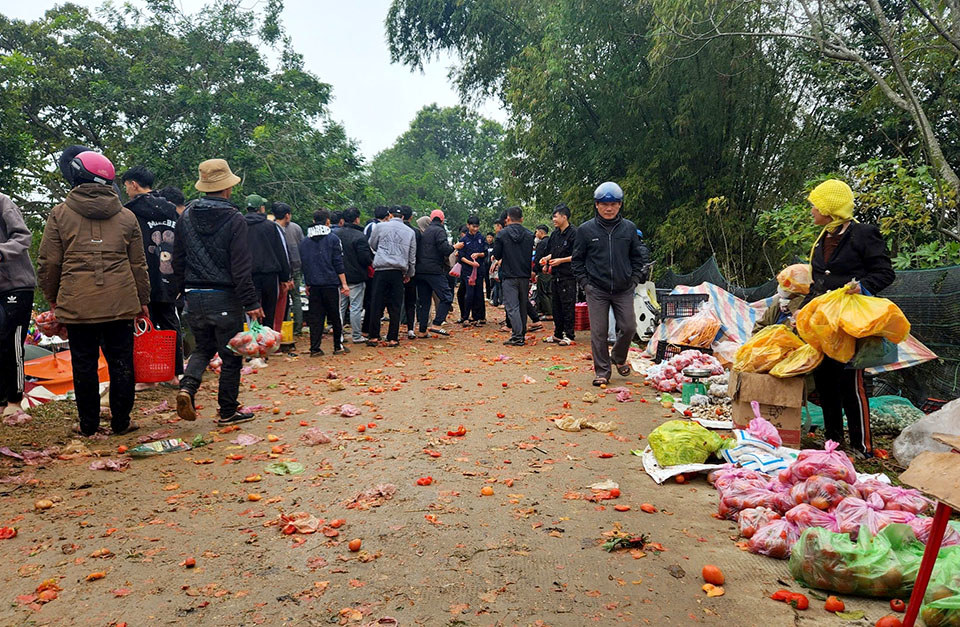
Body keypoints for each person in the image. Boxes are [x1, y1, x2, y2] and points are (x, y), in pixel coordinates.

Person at [37, 147, 150, 436]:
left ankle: (88, 426)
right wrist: (143, 301)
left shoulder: (60, 214)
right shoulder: (126, 217)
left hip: (78, 304)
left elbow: (49, 262)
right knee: (121, 361)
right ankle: (121, 422)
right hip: (121, 302)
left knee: (83, 364)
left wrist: (54, 297)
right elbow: (138, 265)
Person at [807, 179, 895, 458]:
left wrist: (862, 286)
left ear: (829, 208)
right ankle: (833, 442)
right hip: (826, 323)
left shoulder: (863, 234)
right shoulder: (823, 237)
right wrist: (802, 309)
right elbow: (818, 281)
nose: (811, 211)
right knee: (825, 380)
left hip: (852, 323)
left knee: (850, 383)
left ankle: (861, 447)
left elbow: (885, 272)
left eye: (815, 206)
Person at [173, 158, 263, 426]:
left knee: (203, 347)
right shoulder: (235, 218)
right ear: (228, 188)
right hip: (224, 296)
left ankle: (188, 388)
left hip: (194, 295)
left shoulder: (185, 216)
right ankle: (227, 410)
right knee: (231, 353)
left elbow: (177, 259)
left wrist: (180, 292)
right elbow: (240, 266)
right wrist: (251, 302)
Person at [572, 182, 647, 386]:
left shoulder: (629, 229)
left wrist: (633, 280)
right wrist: (585, 284)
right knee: (599, 332)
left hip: (623, 288)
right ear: (596, 205)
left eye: (613, 204)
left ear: (620, 205)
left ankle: (619, 357)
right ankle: (603, 372)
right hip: (596, 290)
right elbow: (577, 260)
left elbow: (637, 257)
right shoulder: (586, 230)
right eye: (604, 204)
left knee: (629, 327)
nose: (609, 208)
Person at [120, 165, 182, 385]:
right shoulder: (171, 209)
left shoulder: (129, 212)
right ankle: (174, 374)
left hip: (142, 274)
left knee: (142, 323)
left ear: (134, 184)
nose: (126, 190)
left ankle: (148, 376)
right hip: (169, 273)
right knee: (169, 321)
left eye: (127, 185)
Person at [0, 193, 37, 422]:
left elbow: (23, 237)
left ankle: (15, 400)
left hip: (16, 285)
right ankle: (2, 401)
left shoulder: (2, 202)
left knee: (11, 341)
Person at [300, 209, 350, 356]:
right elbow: (338, 263)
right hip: (330, 283)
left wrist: (308, 283)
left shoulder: (305, 241)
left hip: (314, 284)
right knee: (335, 315)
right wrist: (344, 284)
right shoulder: (333, 239)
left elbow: (305, 264)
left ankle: (315, 348)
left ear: (314, 221)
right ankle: (337, 346)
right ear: (328, 221)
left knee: (316, 318)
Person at [367, 206, 416, 346]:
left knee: (377, 303)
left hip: (381, 269)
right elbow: (412, 256)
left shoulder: (380, 227)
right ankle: (393, 338)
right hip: (398, 271)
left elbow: (372, 244)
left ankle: (374, 336)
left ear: (389, 215)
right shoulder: (410, 232)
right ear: (403, 217)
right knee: (395, 305)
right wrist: (409, 273)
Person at [244, 194, 291, 330]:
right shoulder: (271, 226)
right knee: (270, 310)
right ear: (261, 208)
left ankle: (253, 342)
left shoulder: (240, 225)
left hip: (248, 276)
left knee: (251, 309)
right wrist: (284, 277)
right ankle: (267, 342)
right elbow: (281, 252)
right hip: (270, 275)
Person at [493, 206, 535, 346]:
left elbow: (497, 254)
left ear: (508, 219)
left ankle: (517, 336)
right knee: (522, 305)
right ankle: (521, 333)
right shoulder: (529, 234)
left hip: (509, 274)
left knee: (512, 306)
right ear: (522, 219)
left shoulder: (502, 234)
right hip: (524, 274)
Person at [540, 203, 578, 345]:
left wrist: (561, 261)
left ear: (564, 217)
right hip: (555, 274)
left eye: (555, 217)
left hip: (568, 275)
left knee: (567, 305)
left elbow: (578, 255)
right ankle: (557, 334)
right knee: (556, 306)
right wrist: (547, 260)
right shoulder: (555, 234)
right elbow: (553, 252)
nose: (553, 220)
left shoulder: (574, 233)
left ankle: (569, 335)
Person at [415, 209, 457, 337]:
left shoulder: (425, 232)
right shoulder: (439, 230)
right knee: (447, 297)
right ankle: (437, 324)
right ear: (442, 220)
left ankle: (422, 331)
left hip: (420, 271)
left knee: (424, 301)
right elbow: (444, 249)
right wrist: (455, 247)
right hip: (434, 270)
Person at [337, 207, 374, 344]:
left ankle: (338, 334)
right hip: (356, 276)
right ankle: (357, 335)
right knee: (356, 307)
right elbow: (365, 258)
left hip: (339, 276)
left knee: (340, 307)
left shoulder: (335, 234)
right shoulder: (359, 236)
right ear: (357, 219)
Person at [272, 202, 305, 336]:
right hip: (295, 267)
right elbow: (302, 246)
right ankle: (297, 328)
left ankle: (283, 325)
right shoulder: (296, 228)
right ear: (287, 215)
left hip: (279, 270)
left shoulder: (271, 227)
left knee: (280, 299)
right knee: (295, 296)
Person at [753, 263, 811, 333]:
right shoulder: (778, 303)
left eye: (788, 285)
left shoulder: (807, 311)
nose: (782, 287)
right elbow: (759, 327)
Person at [361, 206, 391, 338]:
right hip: (375, 266)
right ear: (387, 216)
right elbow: (373, 246)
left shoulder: (369, 226)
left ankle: (368, 328)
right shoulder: (377, 227)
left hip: (372, 265)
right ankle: (369, 329)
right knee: (374, 299)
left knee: (372, 298)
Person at [457, 215, 487, 326]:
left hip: (479, 270)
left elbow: (485, 253)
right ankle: (465, 317)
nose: (475, 229)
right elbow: (461, 256)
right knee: (469, 294)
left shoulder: (481, 238)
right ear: (468, 225)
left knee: (478, 294)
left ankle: (477, 317)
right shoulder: (463, 240)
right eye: (473, 226)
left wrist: (479, 254)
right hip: (468, 271)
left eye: (477, 227)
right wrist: (471, 263)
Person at [400, 205, 420, 338]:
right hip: (411, 270)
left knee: (394, 300)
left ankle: (394, 329)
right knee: (411, 300)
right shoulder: (416, 232)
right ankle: (410, 329)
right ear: (411, 217)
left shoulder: (394, 230)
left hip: (396, 269)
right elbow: (416, 253)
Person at [533, 224, 553, 319]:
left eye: (536, 232)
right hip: (550, 269)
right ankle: (545, 311)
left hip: (543, 270)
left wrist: (535, 270)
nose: (536, 234)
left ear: (541, 232)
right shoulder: (551, 241)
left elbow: (538, 258)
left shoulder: (542, 243)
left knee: (543, 292)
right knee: (549, 291)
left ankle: (548, 313)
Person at [484, 231, 496, 301]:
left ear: (493, 238)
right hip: (485, 265)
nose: (489, 239)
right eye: (488, 237)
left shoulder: (495, 246)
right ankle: (488, 296)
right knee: (487, 280)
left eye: (490, 237)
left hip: (492, 265)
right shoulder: (484, 245)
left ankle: (493, 297)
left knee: (493, 280)